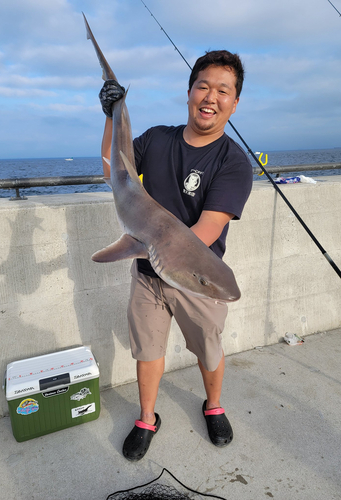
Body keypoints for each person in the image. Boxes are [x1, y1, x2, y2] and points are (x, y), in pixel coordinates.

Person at [100, 50, 253, 461]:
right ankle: (148, 417)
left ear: (234, 103)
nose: (211, 96)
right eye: (203, 85)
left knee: (209, 349)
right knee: (147, 350)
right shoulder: (157, 138)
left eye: (224, 90)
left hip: (197, 277)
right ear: (189, 93)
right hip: (147, 273)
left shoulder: (234, 162)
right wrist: (112, 114)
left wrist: (161, 252)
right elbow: (115, 170)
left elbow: (208, 228)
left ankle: (213, 404)